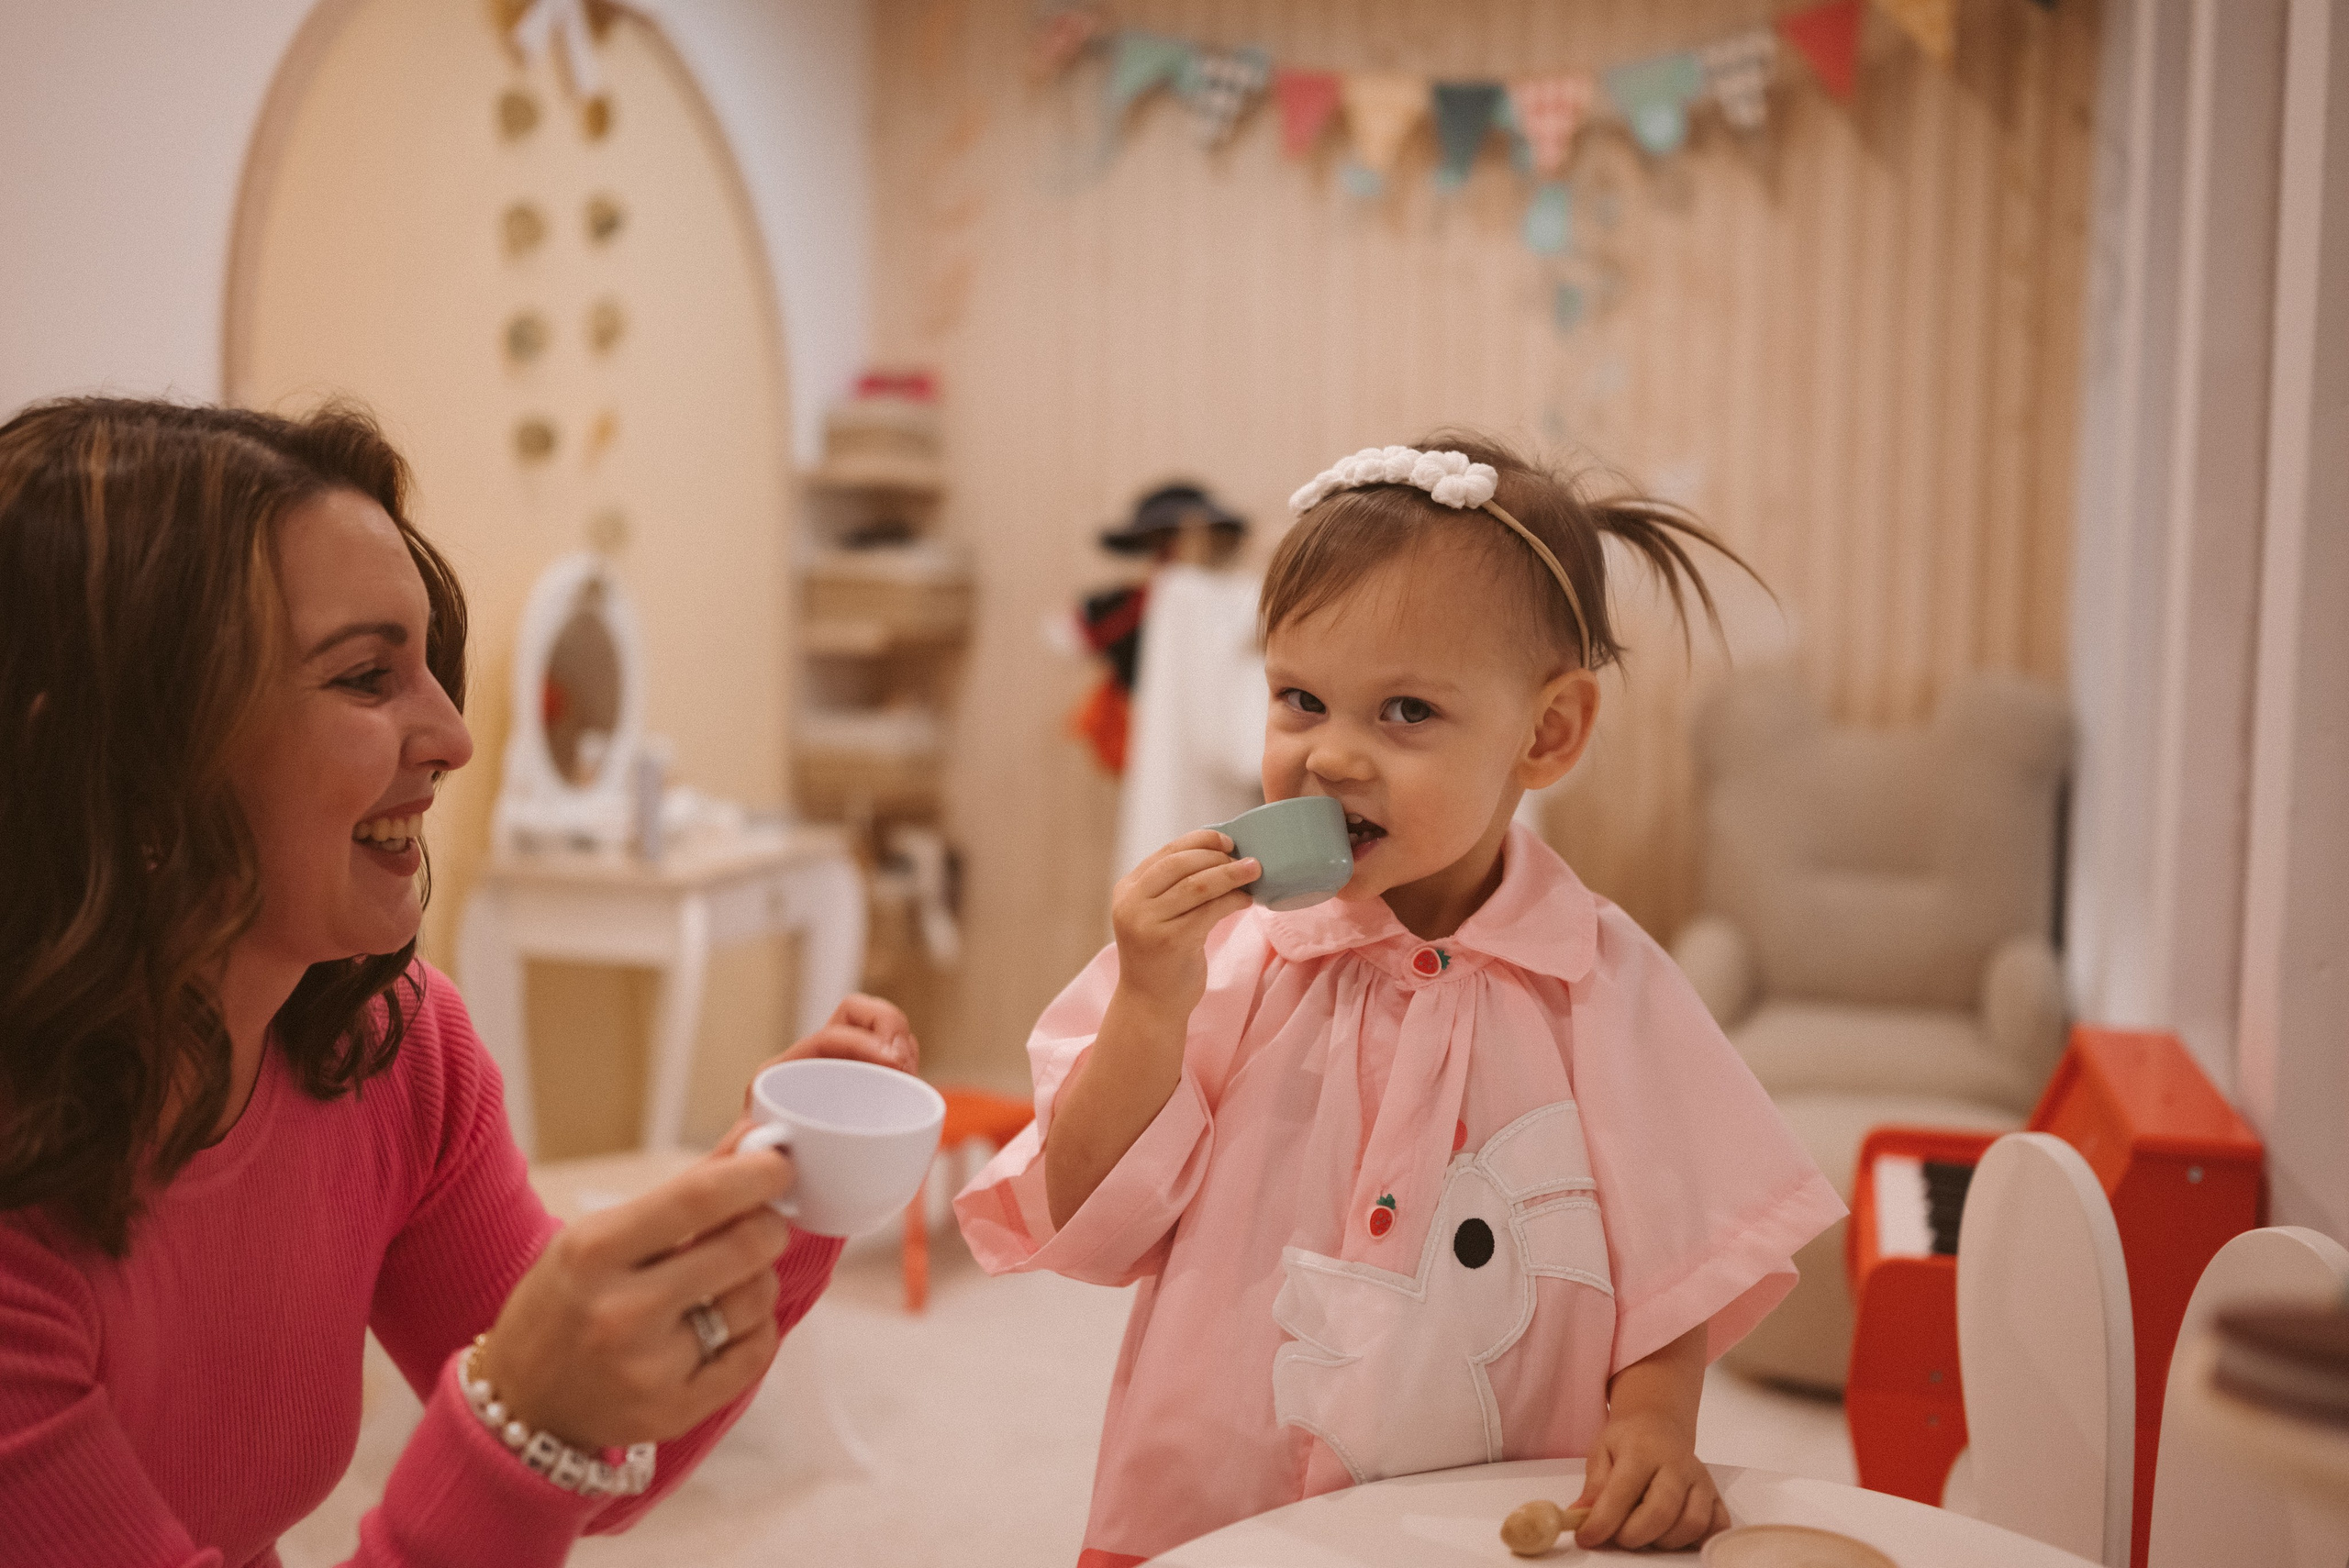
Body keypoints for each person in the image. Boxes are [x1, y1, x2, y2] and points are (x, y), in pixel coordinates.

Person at [0, 398, 918, 1566]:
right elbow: (539, 1433)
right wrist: (516, 1422)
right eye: (365, 676)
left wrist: (779, 1184)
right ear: (111, 755)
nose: (452, 735)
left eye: (428, 667)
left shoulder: (383, 1044)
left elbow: (611, 1455)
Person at [956, 435, 1846, 1566]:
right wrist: (1146, 999)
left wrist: (1655, 1418)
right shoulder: (1234, 957)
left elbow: (1680, 1256)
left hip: (1487, 1515)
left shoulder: (1602, 981)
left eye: (1406, 711)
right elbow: (1083, 1207)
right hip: (1220, 1506)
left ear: (1547, 731)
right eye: (1299, 698)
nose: (1329, 756)